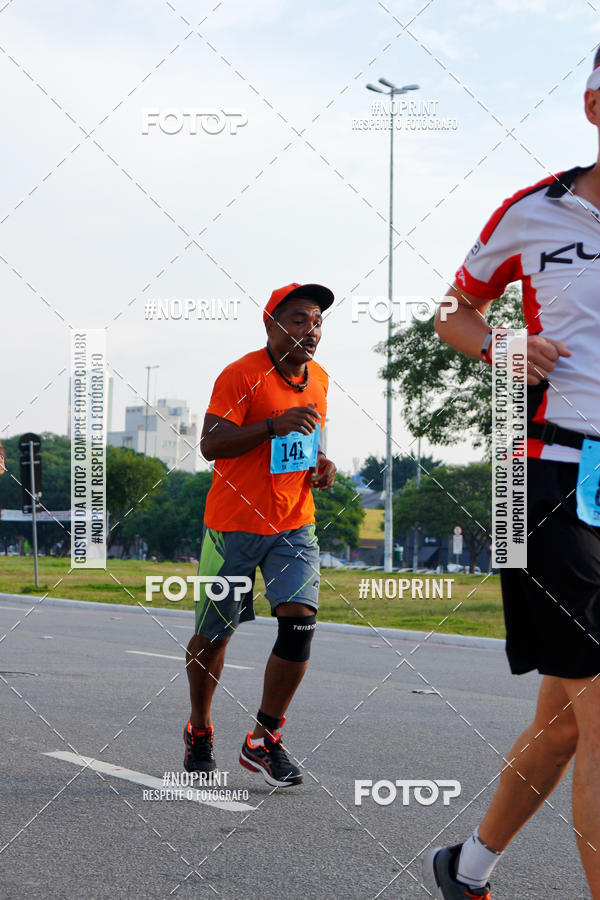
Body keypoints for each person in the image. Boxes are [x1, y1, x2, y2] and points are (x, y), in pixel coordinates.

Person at [423, 51, 600, 899]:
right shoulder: (532, 214)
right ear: (596, 107)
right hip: (549, 478)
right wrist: (503, 343)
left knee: (568, 724)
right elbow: (453, 312)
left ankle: (468, 869)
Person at [183, 283, 336, 788]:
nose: (309, 331)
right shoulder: (241, 374)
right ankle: (200, 727)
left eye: (315, 321)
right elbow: (211, 445)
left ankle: (264, 739)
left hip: (294, 523)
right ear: (270, 325)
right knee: (214, 635)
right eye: (297, 320)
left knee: (300, 623)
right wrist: (272, 425)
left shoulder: (320, 381)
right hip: (233, 528)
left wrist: (320, 464)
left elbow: (302, 442)